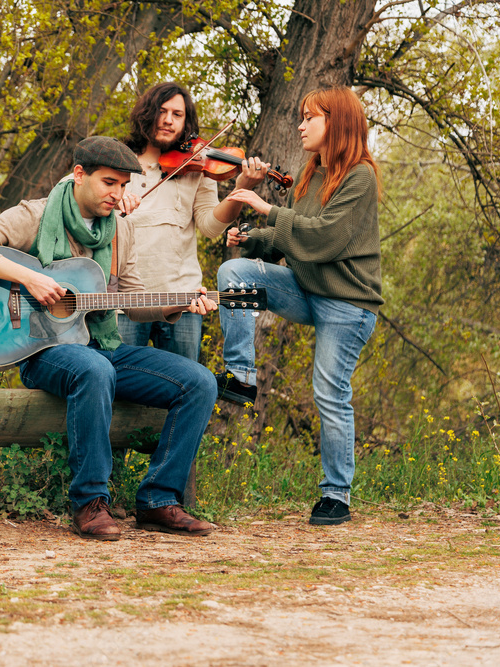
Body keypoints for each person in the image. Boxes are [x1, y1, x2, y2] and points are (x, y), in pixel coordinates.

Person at [0, 136, 219, 541]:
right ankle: (90, 504)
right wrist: (30, 278)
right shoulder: (36, 215)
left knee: (199, 382)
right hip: (43, 350)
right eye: (109, 182)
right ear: (79, 174)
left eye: (124, 186)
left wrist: (177, 305)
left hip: (102, 346)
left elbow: (131, 300)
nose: (118, 194)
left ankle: (159, 499)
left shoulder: (119, 232)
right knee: (93, 369)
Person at [215, 87, 382, 526]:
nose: (301, 125)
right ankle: (241, 375)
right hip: (308, 291)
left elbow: (322, 238)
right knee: (235, 274)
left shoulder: (360, 177)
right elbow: (292, 236)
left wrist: (266, 210)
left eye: (310, 117)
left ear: (338, 123)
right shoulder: (311, 174)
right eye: (301, 117)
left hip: (347, 304)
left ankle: (336, 496)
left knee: (329, 393)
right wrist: (251, 238)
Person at [118, 82, 270, 362]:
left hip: (183, 298)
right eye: (161, 111)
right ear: (147, 114)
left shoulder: (196, 168)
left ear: (186, 122)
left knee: (183, 389)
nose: (167, 120)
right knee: (120, 387)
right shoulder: (119, 163)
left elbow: (210, 226)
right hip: (125, 300)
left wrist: (241, 189)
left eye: (177, 114)